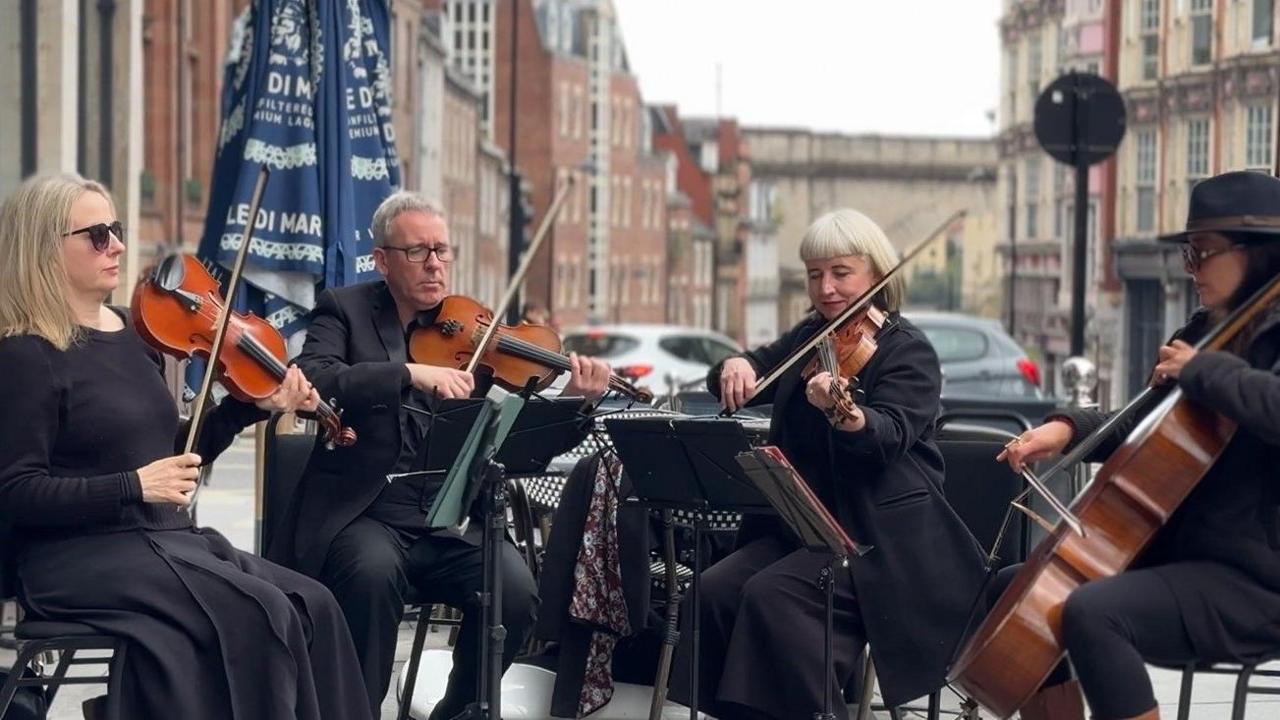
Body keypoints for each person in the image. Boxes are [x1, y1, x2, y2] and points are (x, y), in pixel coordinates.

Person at [0, 173, 372, 720]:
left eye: (117, 229)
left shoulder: (135, 335)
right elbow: (16, 491)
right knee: (260, 611)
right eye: (97, 235)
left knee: (315, 604)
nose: (119, 245)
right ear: (44, 247)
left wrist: (249, 406)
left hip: (167, 540)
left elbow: (178, 454)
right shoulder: (25, 355)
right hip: (76, 557)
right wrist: (131, 486)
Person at [270, 191, 612, 719]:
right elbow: (316, 376)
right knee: (370, 576)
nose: (435, 264)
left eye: (442, 251)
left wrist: (574, 403)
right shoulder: (346, 309)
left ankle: (457, 711)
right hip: (368, 515)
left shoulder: (475, 330)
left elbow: (522, 439)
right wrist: (408, 372)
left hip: (448, 520)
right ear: (382, 260)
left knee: (515, 590)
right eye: (418, 251)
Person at [668, 209, 986, 720]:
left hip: (876, 543)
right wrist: (736, 364)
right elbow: (750, 368)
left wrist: (847, 413)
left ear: (876, 272)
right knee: (712, 592)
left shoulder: (909, 352)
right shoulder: (811, 337)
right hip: (803, 531)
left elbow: (890, 435)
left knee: (771, 598)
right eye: (816, 274)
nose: (827, 287)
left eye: (841, 272)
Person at [994, 171, 1280, 720]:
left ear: (1258, 253)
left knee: (1095, 613)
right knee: (1021, 591)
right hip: (1187, 555)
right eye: (1188, 255)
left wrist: (1202, 370)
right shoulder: (1207, 331)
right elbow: (1150, 426)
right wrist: (1067, 430)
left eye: (1203, 254)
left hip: (1257, 578)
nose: (1192, 270)